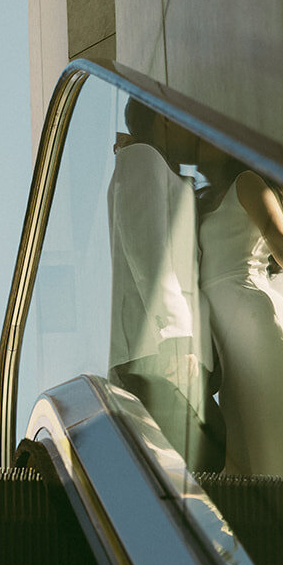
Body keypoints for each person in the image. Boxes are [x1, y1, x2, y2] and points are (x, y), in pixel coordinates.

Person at [198, 147, 283, 477]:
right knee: (248, 445)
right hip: (232, 337)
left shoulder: (247, 182)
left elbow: (281, 243)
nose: (200, 143)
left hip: (258, 326)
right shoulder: (202, 197)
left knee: (272, 444)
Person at [106, 99, 221, 473]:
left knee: (201, 457)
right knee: (202, 457)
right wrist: (175, 337)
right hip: (158, 350)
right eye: (183, 121)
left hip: (169, 350)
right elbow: (148, 251)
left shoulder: (157, 166)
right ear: (162, 122)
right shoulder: (141, 158)